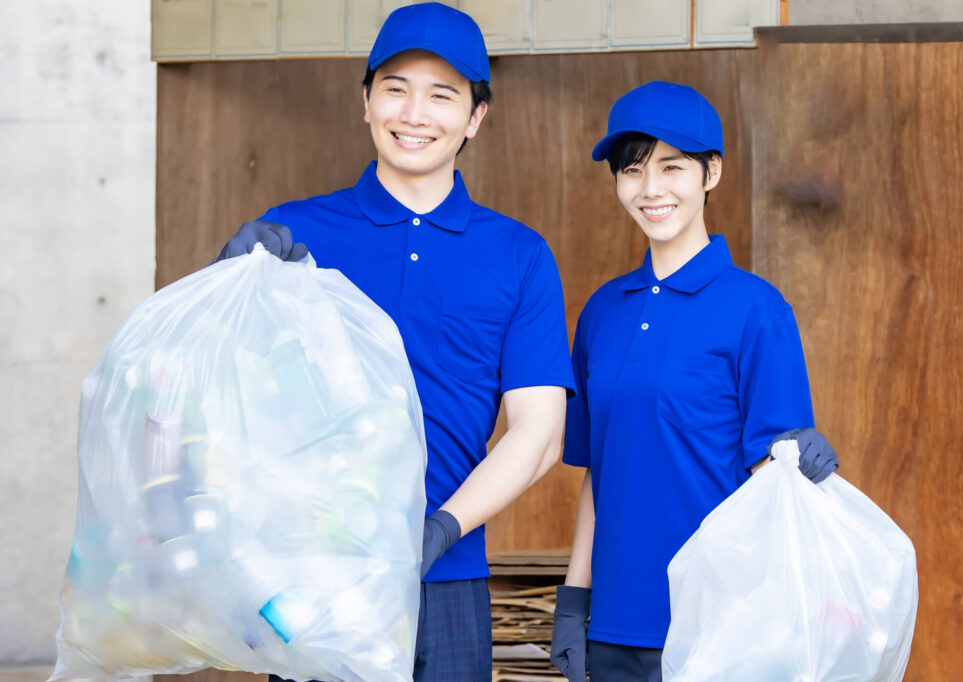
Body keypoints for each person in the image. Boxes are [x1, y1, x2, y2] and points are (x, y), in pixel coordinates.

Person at [212, 4, 576, 680]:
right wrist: (226, 286)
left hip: (447, 577)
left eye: (442, 95)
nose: (414, 114)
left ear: (474, 117)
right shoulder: (293, 233)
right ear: (366, 102)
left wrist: (440, 529)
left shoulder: (518, 254)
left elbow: (540, 432)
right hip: (314, 576)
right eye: (396, 88)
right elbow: (217, 393)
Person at [548, 81, 839, 682]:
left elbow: (773, 483)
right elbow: (599, 471)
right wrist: (575, 599)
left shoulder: (757, 310)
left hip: (718, 629)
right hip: (612, 626)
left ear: (712, 172)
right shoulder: (601, 312)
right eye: (632, 170)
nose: (650, 189)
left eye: (672, 167)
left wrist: (803, 463)